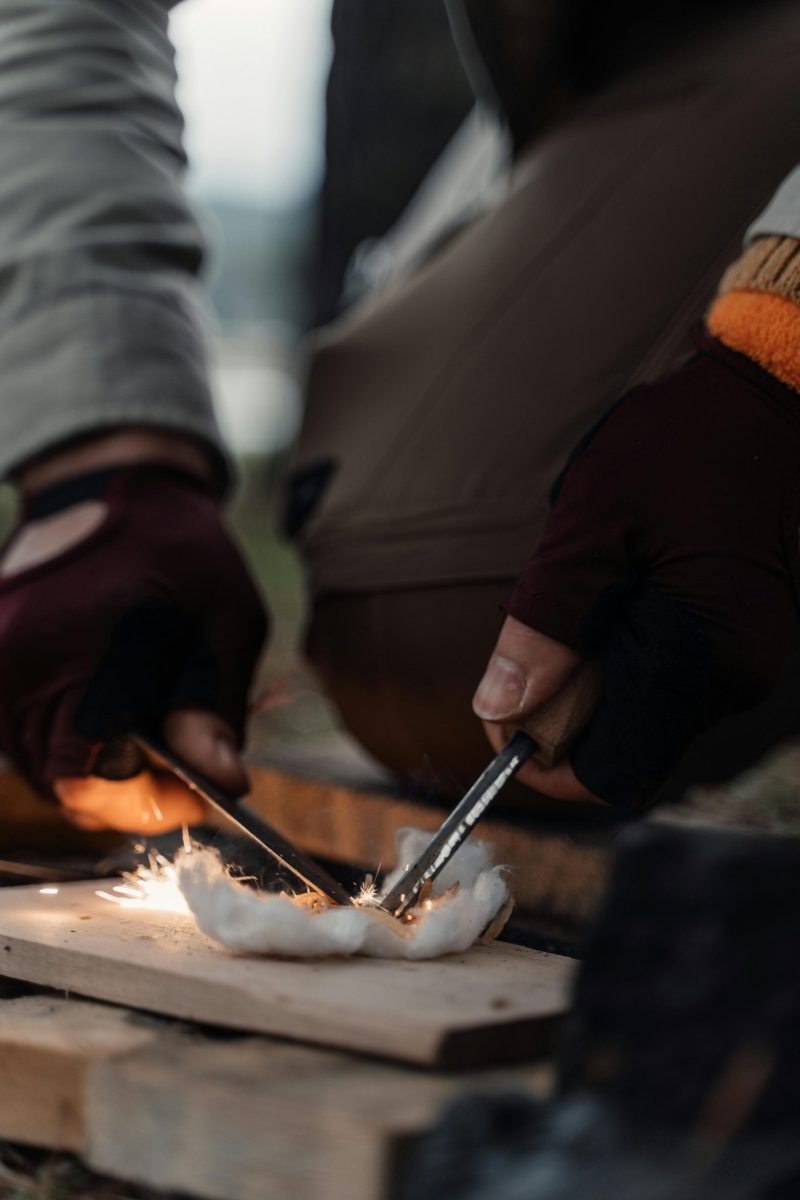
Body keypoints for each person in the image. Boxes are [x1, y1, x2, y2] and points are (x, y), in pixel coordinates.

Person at [0, 1, 798, 835]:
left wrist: (778, 355)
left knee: (549, 589)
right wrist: (105, 463)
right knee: (443, 638)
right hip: (654, 49)